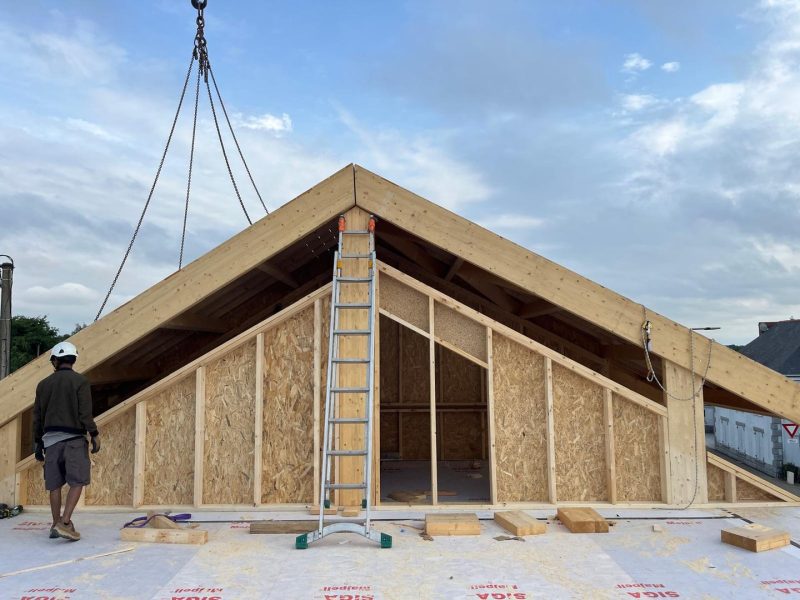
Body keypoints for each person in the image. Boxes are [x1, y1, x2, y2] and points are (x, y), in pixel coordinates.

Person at [32, 341, 100, 541]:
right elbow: (85, 414)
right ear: (73, 359)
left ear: (55, 360)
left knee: (55, 485)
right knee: (77, 481)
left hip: (51, 441)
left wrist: (38, 443)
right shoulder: (81, 382)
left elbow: (38, 416)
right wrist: (94, 434)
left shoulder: (43, 385)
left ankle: (55, 524)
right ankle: (65, 523)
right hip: (74, 441)